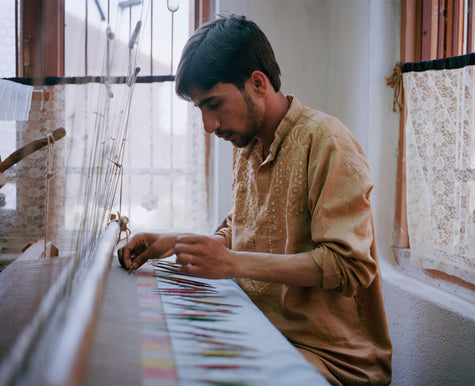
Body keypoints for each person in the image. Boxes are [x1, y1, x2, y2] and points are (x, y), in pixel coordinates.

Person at [118, 14, 392, 385]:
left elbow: (348, 267)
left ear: (257, 83)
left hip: (329, 357)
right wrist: (175, 242)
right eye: (200, 109)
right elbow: (240, 231)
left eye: (214, 104)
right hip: (260, 329)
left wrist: (232, 263)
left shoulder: (327, 141)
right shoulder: (246, 146)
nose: (208, 125)